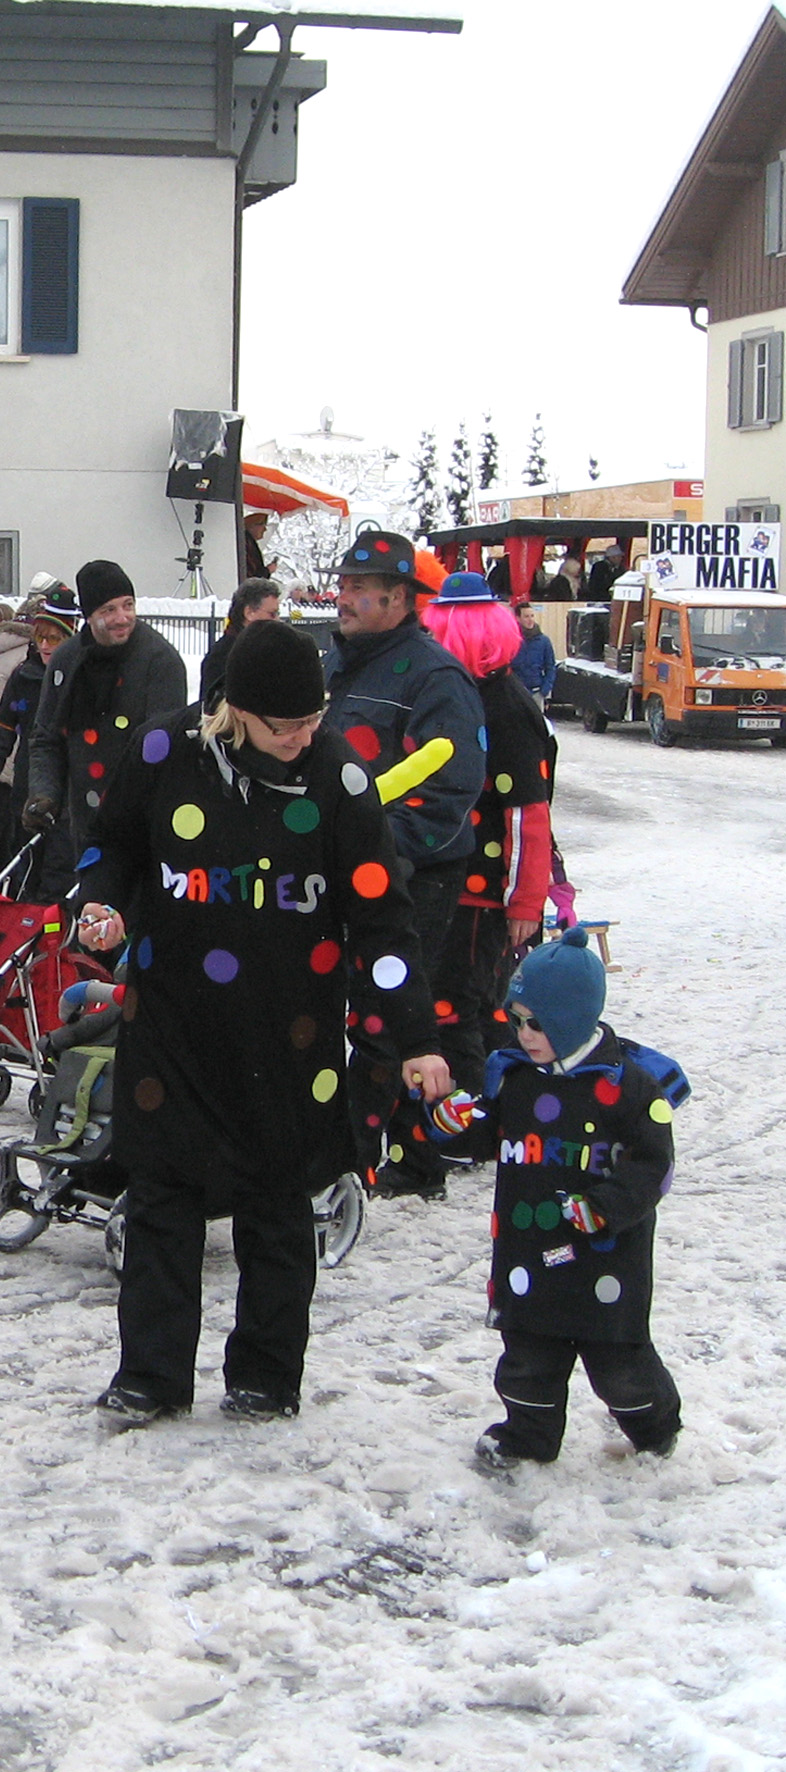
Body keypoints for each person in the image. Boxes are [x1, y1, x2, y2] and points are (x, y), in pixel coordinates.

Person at [75, 622, 449, 1425]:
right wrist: (100, 903)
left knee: (278, 1207)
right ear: (236, 711)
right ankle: (151, 1375)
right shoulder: (163, 750)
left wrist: (415, 1037)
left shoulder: (338, 777)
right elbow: (110, 847)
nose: (303, 738)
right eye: (287, 725)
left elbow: (383, 919)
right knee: (162, 1201)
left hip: (289, 1033)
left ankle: (267, 1376)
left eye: (315, 720)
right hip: (172, 1025)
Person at [408, 928, 687, 1470]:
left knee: (619, 1368)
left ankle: (656, 1428)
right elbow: (485, 1134)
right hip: (529, 1250)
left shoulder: (629, 1086)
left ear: (573, 1017)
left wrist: (606, 1206)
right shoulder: (516, 1077)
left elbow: (654, 1166)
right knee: (527, 1359)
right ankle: (527, 1438)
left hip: (607, 1260)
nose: (524, 1034)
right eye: (516, 1021)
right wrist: (450, 1121)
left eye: (536, 1023)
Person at [322, 529, 487, 1198]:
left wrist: (373, 849)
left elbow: (451, 788)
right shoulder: (336, 666)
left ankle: (370, 1163)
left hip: (414, 877)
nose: (344, 599)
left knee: (387, 1020)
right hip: (338, 870)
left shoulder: (436, 677)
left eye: (360, 589)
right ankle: (369, 1153)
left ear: (398, 598)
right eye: (344, 586)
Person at [418, 573, 554, 1100]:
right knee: (459, 1008)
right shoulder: (462, 697)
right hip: (452, 885)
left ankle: (477, 1117)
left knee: (463, 1011)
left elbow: (528, 814)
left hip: (483, 895)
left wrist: (525, 900)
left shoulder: (504, 706)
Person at [21, 561, 188, 903]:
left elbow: (165, 753)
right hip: (83, 824)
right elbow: (47, 738)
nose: (122, 617)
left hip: (140, 829)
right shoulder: (66, 661)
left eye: (128, 605)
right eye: (109, 610)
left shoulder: (160, 662)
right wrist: (44, 793)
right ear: (89, 615)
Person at [0, 589, 79, 901]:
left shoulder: (82, 678)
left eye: (54, 639)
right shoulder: (23, 677)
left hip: (72, 797)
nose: (45, 645)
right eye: (40, 637)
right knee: (26, 880)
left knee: (58, 885)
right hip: (27, 795)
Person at [198, 577, 283, 705]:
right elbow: (214, 708)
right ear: (249, 613)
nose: (277, 620)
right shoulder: (223, 656)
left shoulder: (269, 650)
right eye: (272, 614)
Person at [512, 601, 558, 703]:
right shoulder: (511, 640)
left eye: (532, 616)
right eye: (526, 616)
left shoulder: (544, 641)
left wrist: (544, 690)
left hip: (536, 693)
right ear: (518, 618)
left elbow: (550, 667)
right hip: (516, 693)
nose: (530, 620)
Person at [240, 508, 272, 583]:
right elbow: (251, 575)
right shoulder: (246, 544)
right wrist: (267, 570)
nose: (265, 529)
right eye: (262, 524)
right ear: (252, 525)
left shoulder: (248, 542)